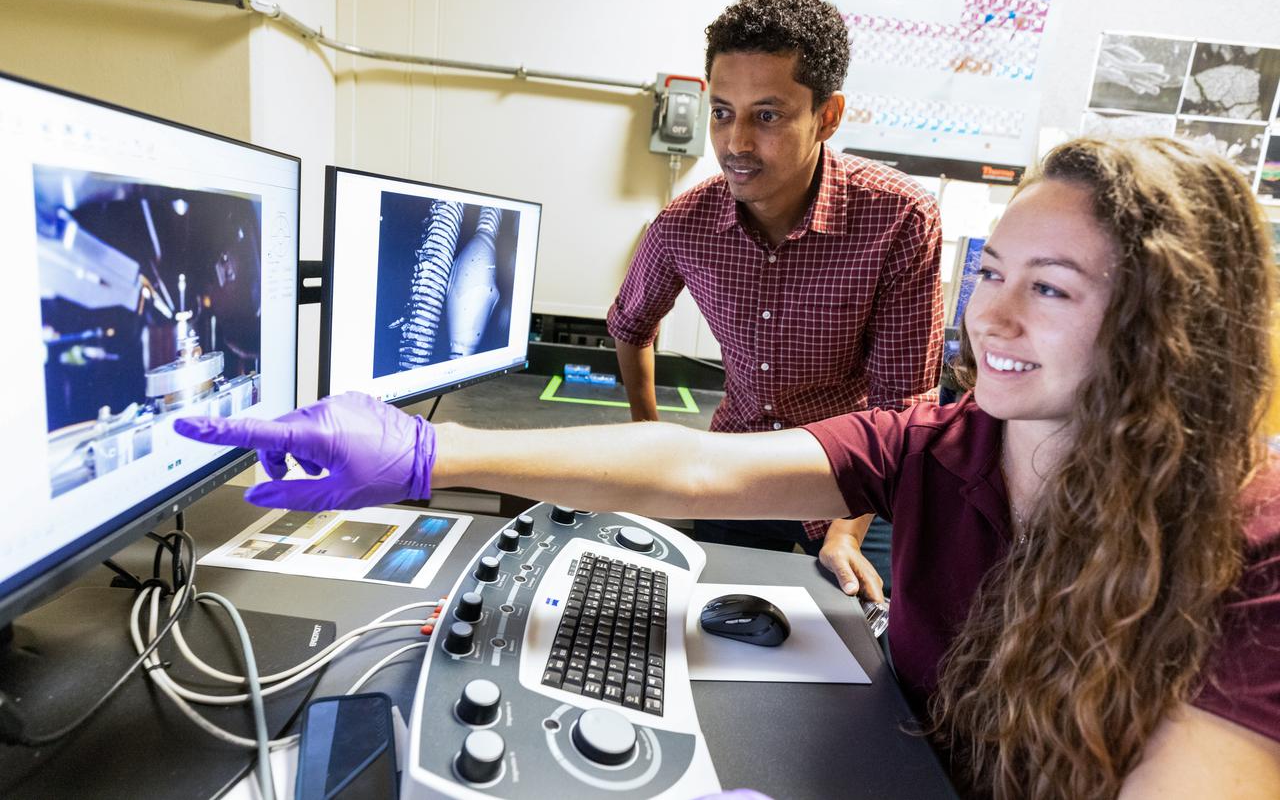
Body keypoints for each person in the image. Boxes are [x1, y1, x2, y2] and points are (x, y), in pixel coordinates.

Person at [177, 136, 1280, 798]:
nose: (986, 312)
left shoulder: (1255, 552)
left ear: (1159, 324)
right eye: (986, 271)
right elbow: (698, 473)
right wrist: (427, 453)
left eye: (1047, 287)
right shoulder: (948, 447)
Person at [608, 0, 944, 600]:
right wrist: (647, 445)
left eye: (766, 115)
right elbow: (631, 325)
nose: (735, 143)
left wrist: (843, 532)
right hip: (740, 471)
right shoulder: (685, 223)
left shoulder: (899, 218)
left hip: (859, 484)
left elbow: (902, 405)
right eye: (721, 111)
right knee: (712, 642)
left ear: (828, 116)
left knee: (874, 660)